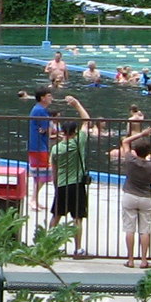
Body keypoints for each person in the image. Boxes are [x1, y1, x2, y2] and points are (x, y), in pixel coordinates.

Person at [49, 99, 94, 242]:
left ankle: (48, 244)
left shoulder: (56, 149)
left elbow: (53, 170)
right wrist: (76, 104)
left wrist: (56, 185)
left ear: (62, 131)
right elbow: (86, 121)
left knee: (56, 216)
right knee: (77, 218)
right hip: (76, 185)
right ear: (75, 132)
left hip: (62, 184)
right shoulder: (78, 142)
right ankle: (78, 248)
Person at [113, 131, 151, 267]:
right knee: (145, 230)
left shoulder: (130, 160)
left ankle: (131, 259)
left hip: (129, 195)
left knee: (129, 229)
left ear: (135, 151)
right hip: (145, 197)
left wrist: (141, 134)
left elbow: (125, 142)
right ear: (148, 152)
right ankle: (144, 260)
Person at [25, 87, 55, 197]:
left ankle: (34, 198)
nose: (51, 98)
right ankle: (33, 198)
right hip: (39, 146)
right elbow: (48, 129)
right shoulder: (40, 111)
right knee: (45, 174)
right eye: (49, 96)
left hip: (37, 144)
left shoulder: (38, 109)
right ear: (42, 98)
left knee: (38, 173)